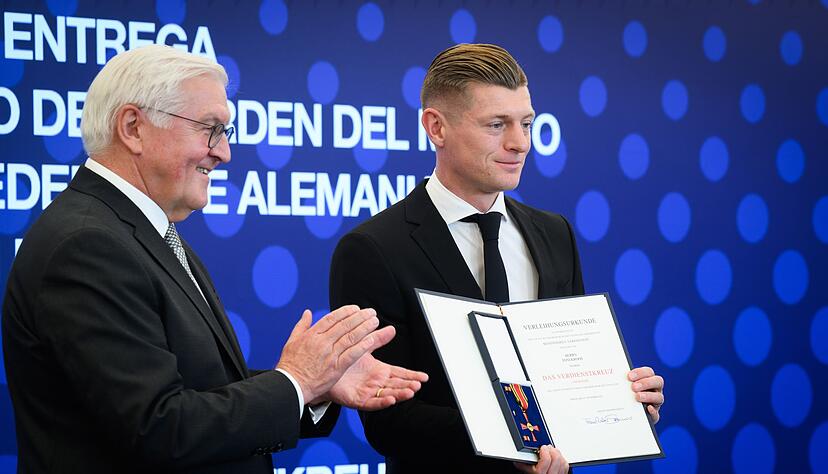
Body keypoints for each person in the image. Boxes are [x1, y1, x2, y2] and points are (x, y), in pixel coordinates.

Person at [1, 44, 427, 474]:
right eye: (210, 129)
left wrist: (317, 385)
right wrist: (295, 381)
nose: (224, 152)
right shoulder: (88, 245)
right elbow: (160, 429)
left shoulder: (141, 232)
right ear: (133, 127)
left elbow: (199, 391)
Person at [329, 43, 665, 474]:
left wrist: (621, 402)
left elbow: (570, 371)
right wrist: (516, 442)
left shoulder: (554, 233)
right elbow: (387, 420)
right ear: (436, 127)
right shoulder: (373, 248)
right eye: (496, 125)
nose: (519, 143)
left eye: (526, 123)